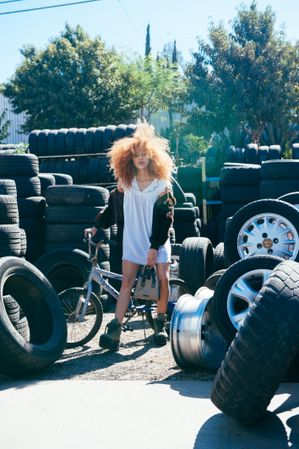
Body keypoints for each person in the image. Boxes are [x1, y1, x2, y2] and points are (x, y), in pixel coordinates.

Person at [86, 121, 176, 351]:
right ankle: (115, 330)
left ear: (153, 156)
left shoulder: (161, 184)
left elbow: (166, 218)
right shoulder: (125, 183)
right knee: (127, 282)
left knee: (162, 277)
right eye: (137, 155)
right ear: (129, 158)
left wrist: (155, 247)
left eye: (145, 154)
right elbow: (112, 210)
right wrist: (98, 225)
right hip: (133, 240)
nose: (141, 158)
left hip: (157, 239)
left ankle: (160, 323)